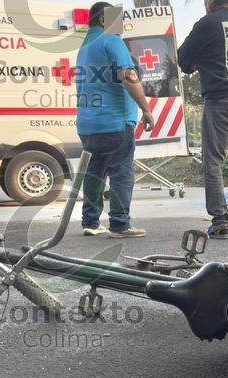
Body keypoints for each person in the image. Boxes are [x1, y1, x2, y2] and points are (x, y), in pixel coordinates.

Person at [178, 0, 228, 239]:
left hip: (222, 101)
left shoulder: (207, 23)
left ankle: (220, 221)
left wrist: (197, 61)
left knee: (213, 161)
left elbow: (183, 59)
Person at [76, 2, 155, 238]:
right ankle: (120, 224)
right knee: (121, 173)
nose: (120, 26)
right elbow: (129, 76)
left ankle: (90, 222)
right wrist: (146, 109)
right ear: (104, 20)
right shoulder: (111, 41)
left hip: (88, 125)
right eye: (117, 20)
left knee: (95, 173)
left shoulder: (84, 46)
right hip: (114, 122)